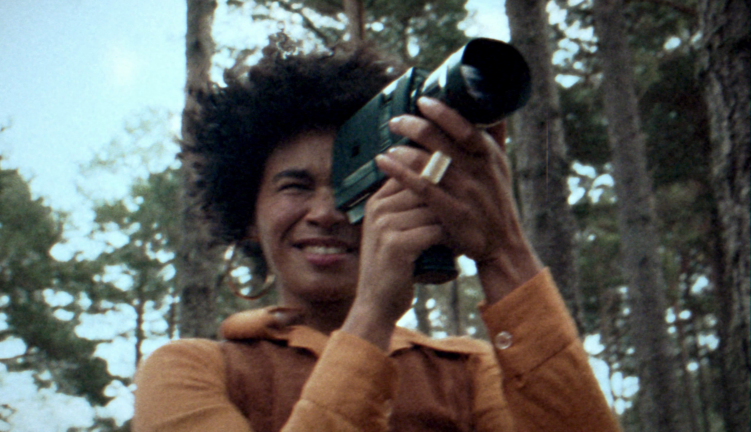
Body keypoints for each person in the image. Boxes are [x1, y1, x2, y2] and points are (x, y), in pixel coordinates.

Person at [132, 38, 621, 432]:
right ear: (248, 220)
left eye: (355, 184)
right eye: (295, 186)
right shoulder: (191, 371)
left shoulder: (469, 373)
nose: (326, 213)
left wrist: (502, 251)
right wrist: (371, 315)